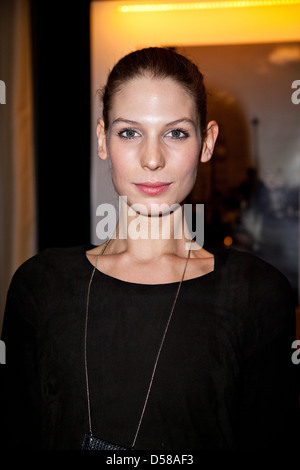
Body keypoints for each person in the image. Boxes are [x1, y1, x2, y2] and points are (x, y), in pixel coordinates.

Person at [1, 47, 299, 451]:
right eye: (129, 132)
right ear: (103, 139)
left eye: (175, 132)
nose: (152, 159)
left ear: (207, 143)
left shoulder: (258, 294)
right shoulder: (40, 286)